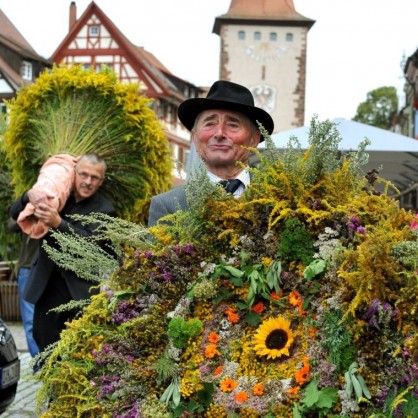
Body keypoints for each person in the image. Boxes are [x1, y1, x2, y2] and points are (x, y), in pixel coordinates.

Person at [10, 153, 116, 352]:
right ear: (73, 173)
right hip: (48, 284)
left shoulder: (105, 210)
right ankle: (50, 381)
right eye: (83, 174)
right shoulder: (57, 196)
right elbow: (15, 215)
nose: (87, 182)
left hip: (80, 290)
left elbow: (93, 247)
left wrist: (59, 224)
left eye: (94, 178)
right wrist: (27, 195)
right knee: (42, 338)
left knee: (79, 347)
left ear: (101, 181)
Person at [148, 80, 274, 226]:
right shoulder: (168, 206)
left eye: (232, 125)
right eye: (209, 124)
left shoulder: (282, 197)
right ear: (195, 138)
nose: (219, 133)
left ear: (254, 139)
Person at [8, 219, 39, 357]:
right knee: (30, 320)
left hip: (53, 270)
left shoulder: (62, 201)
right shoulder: (29, 204)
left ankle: (53, 363)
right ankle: (40, 364)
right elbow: (12, 225)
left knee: (52, 319)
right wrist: (29, 208)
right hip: (28, 267)